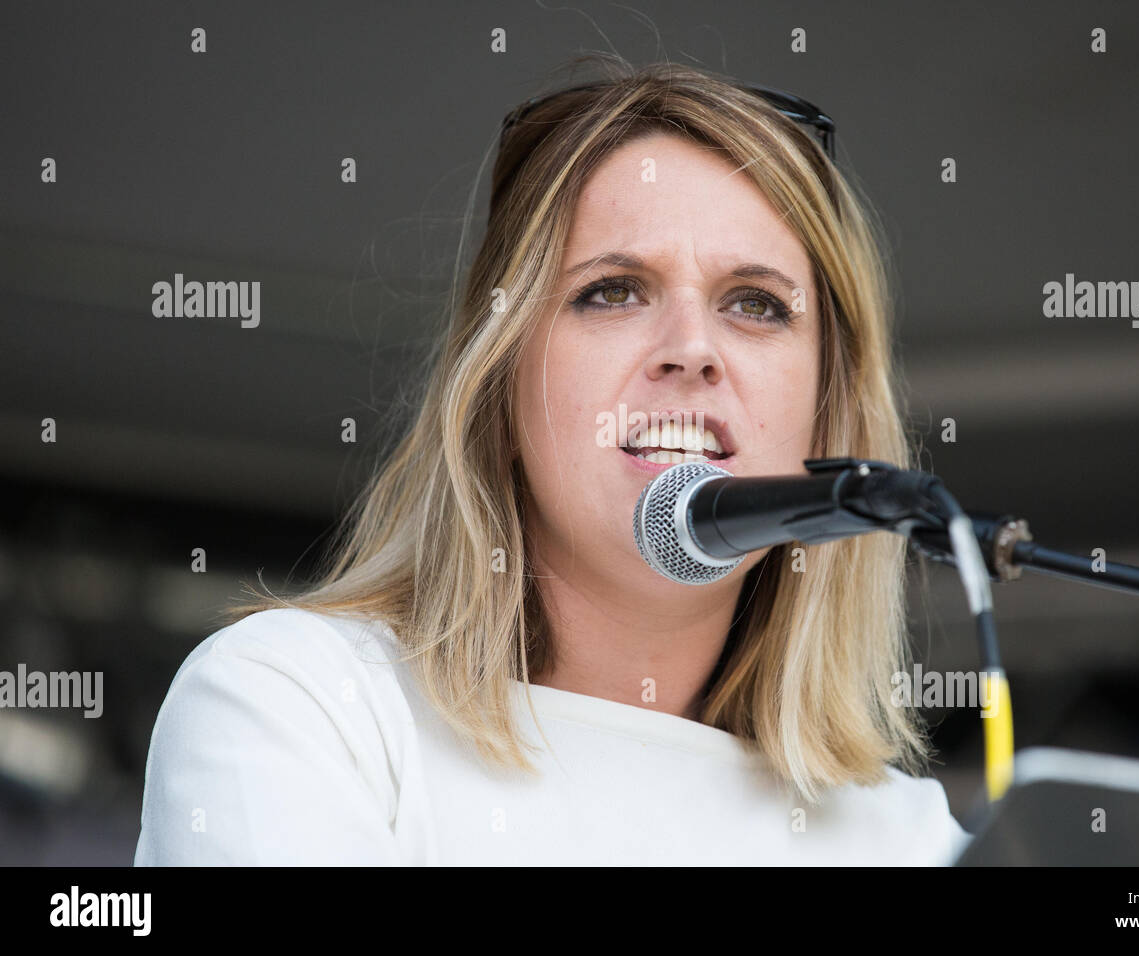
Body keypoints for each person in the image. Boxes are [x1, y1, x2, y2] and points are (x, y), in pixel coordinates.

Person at [134, 55, 973, 866]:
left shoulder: (908, 840)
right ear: (498, 384)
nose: (692, 348)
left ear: (830, 421)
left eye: (754, 305)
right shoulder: (302, 704)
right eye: (613, 291)